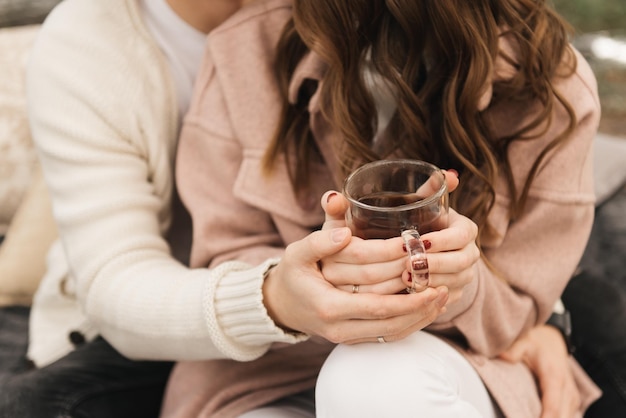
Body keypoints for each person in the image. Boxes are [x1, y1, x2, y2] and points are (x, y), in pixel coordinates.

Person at [0, 1, 599, 418]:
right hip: (179, 324)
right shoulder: (92, 42)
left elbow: (520, 250)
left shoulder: (366, 26)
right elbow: (117, 290)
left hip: (418, 342)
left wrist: (546, 318)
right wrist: (276, 299)